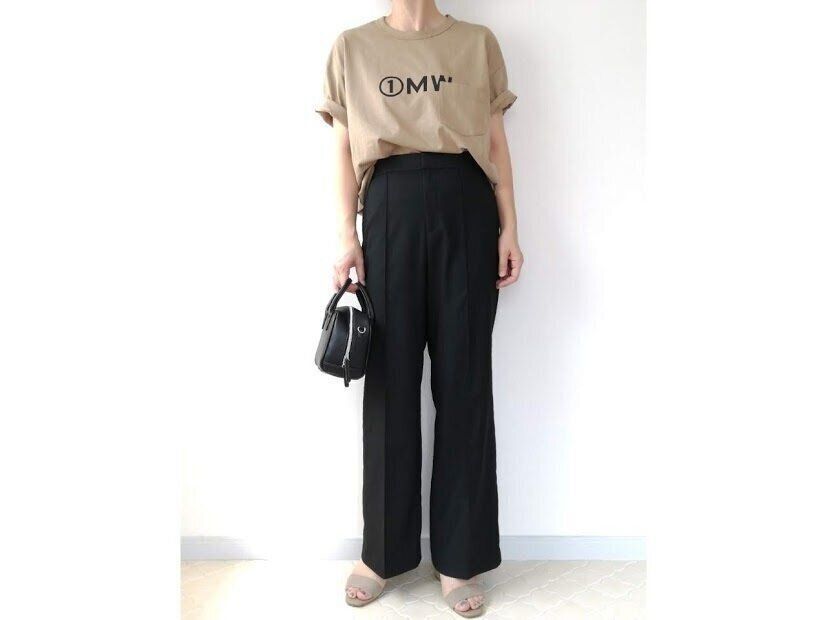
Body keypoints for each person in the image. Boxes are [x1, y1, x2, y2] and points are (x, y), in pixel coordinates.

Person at [315, 1, 523, 616]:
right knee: (389, 383)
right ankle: (381, 553)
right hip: (389, 208)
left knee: (464, 382)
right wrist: (346, 234)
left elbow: (495, 142)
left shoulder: (477, 42)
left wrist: (511, 227)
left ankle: (460, 558)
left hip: (467, 205)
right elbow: (342, 146)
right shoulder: (352, 47)